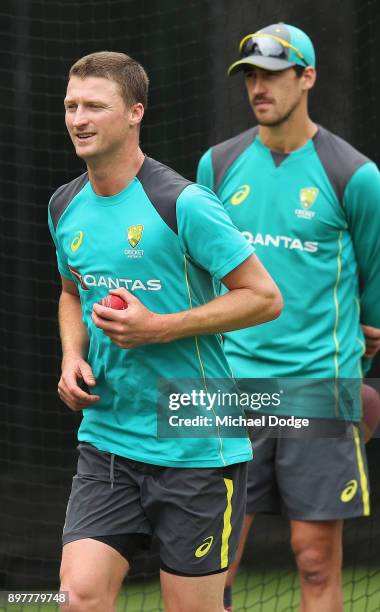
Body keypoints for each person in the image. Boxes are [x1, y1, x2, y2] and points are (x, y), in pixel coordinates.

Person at [48, 51, 283, 612]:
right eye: (71, 106)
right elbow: (71, 292)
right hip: (107, 440)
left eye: (94, 107)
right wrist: (71, 356)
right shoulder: (64, 206)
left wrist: (158, 328)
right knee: (78, 597)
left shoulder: (182, 203)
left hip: (195, 441)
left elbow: (264, 297)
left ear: (134, 112)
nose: (79, 119)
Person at [197, 23, 380, 612]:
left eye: (273, 74)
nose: (259, 87)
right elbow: (203, 267)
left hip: (317, 386)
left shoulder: (353, 176)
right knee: (212, 560)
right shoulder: (218, 164)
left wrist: (358, 342)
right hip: (231, 388)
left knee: (314, 561)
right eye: (251, 76)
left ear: (307, 78)